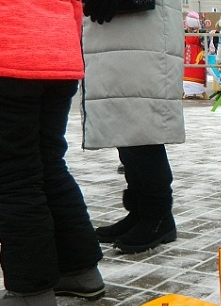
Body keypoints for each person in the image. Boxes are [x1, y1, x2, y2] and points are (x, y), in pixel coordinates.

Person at [0, 0, 105, 306]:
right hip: (58, 52)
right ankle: (80, 270)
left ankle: (30, 290)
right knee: (48, 164)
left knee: (11, 173)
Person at [82, 0, 185, 254]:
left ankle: (157, 215)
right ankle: (141, 212)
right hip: (118, 26)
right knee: (124, 116)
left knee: (141, 119)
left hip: (142, 23)